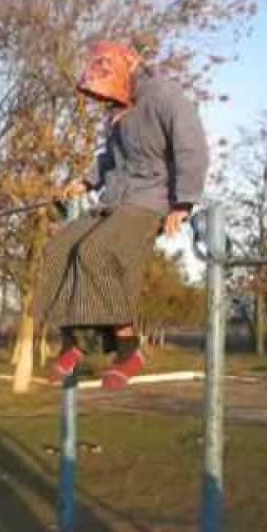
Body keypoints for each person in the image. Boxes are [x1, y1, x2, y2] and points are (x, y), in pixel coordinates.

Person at [35, 40, 209, 390]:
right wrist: (88, 181)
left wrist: (183, 203)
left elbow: (192, 147)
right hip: (114, 198)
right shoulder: (116, 111)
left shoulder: (164, 96)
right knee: (58, 249)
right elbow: (109, 158)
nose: (105, 101)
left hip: (152, 199)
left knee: (96, 252)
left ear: (127, 70)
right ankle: (72, 343)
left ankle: (129, 349)